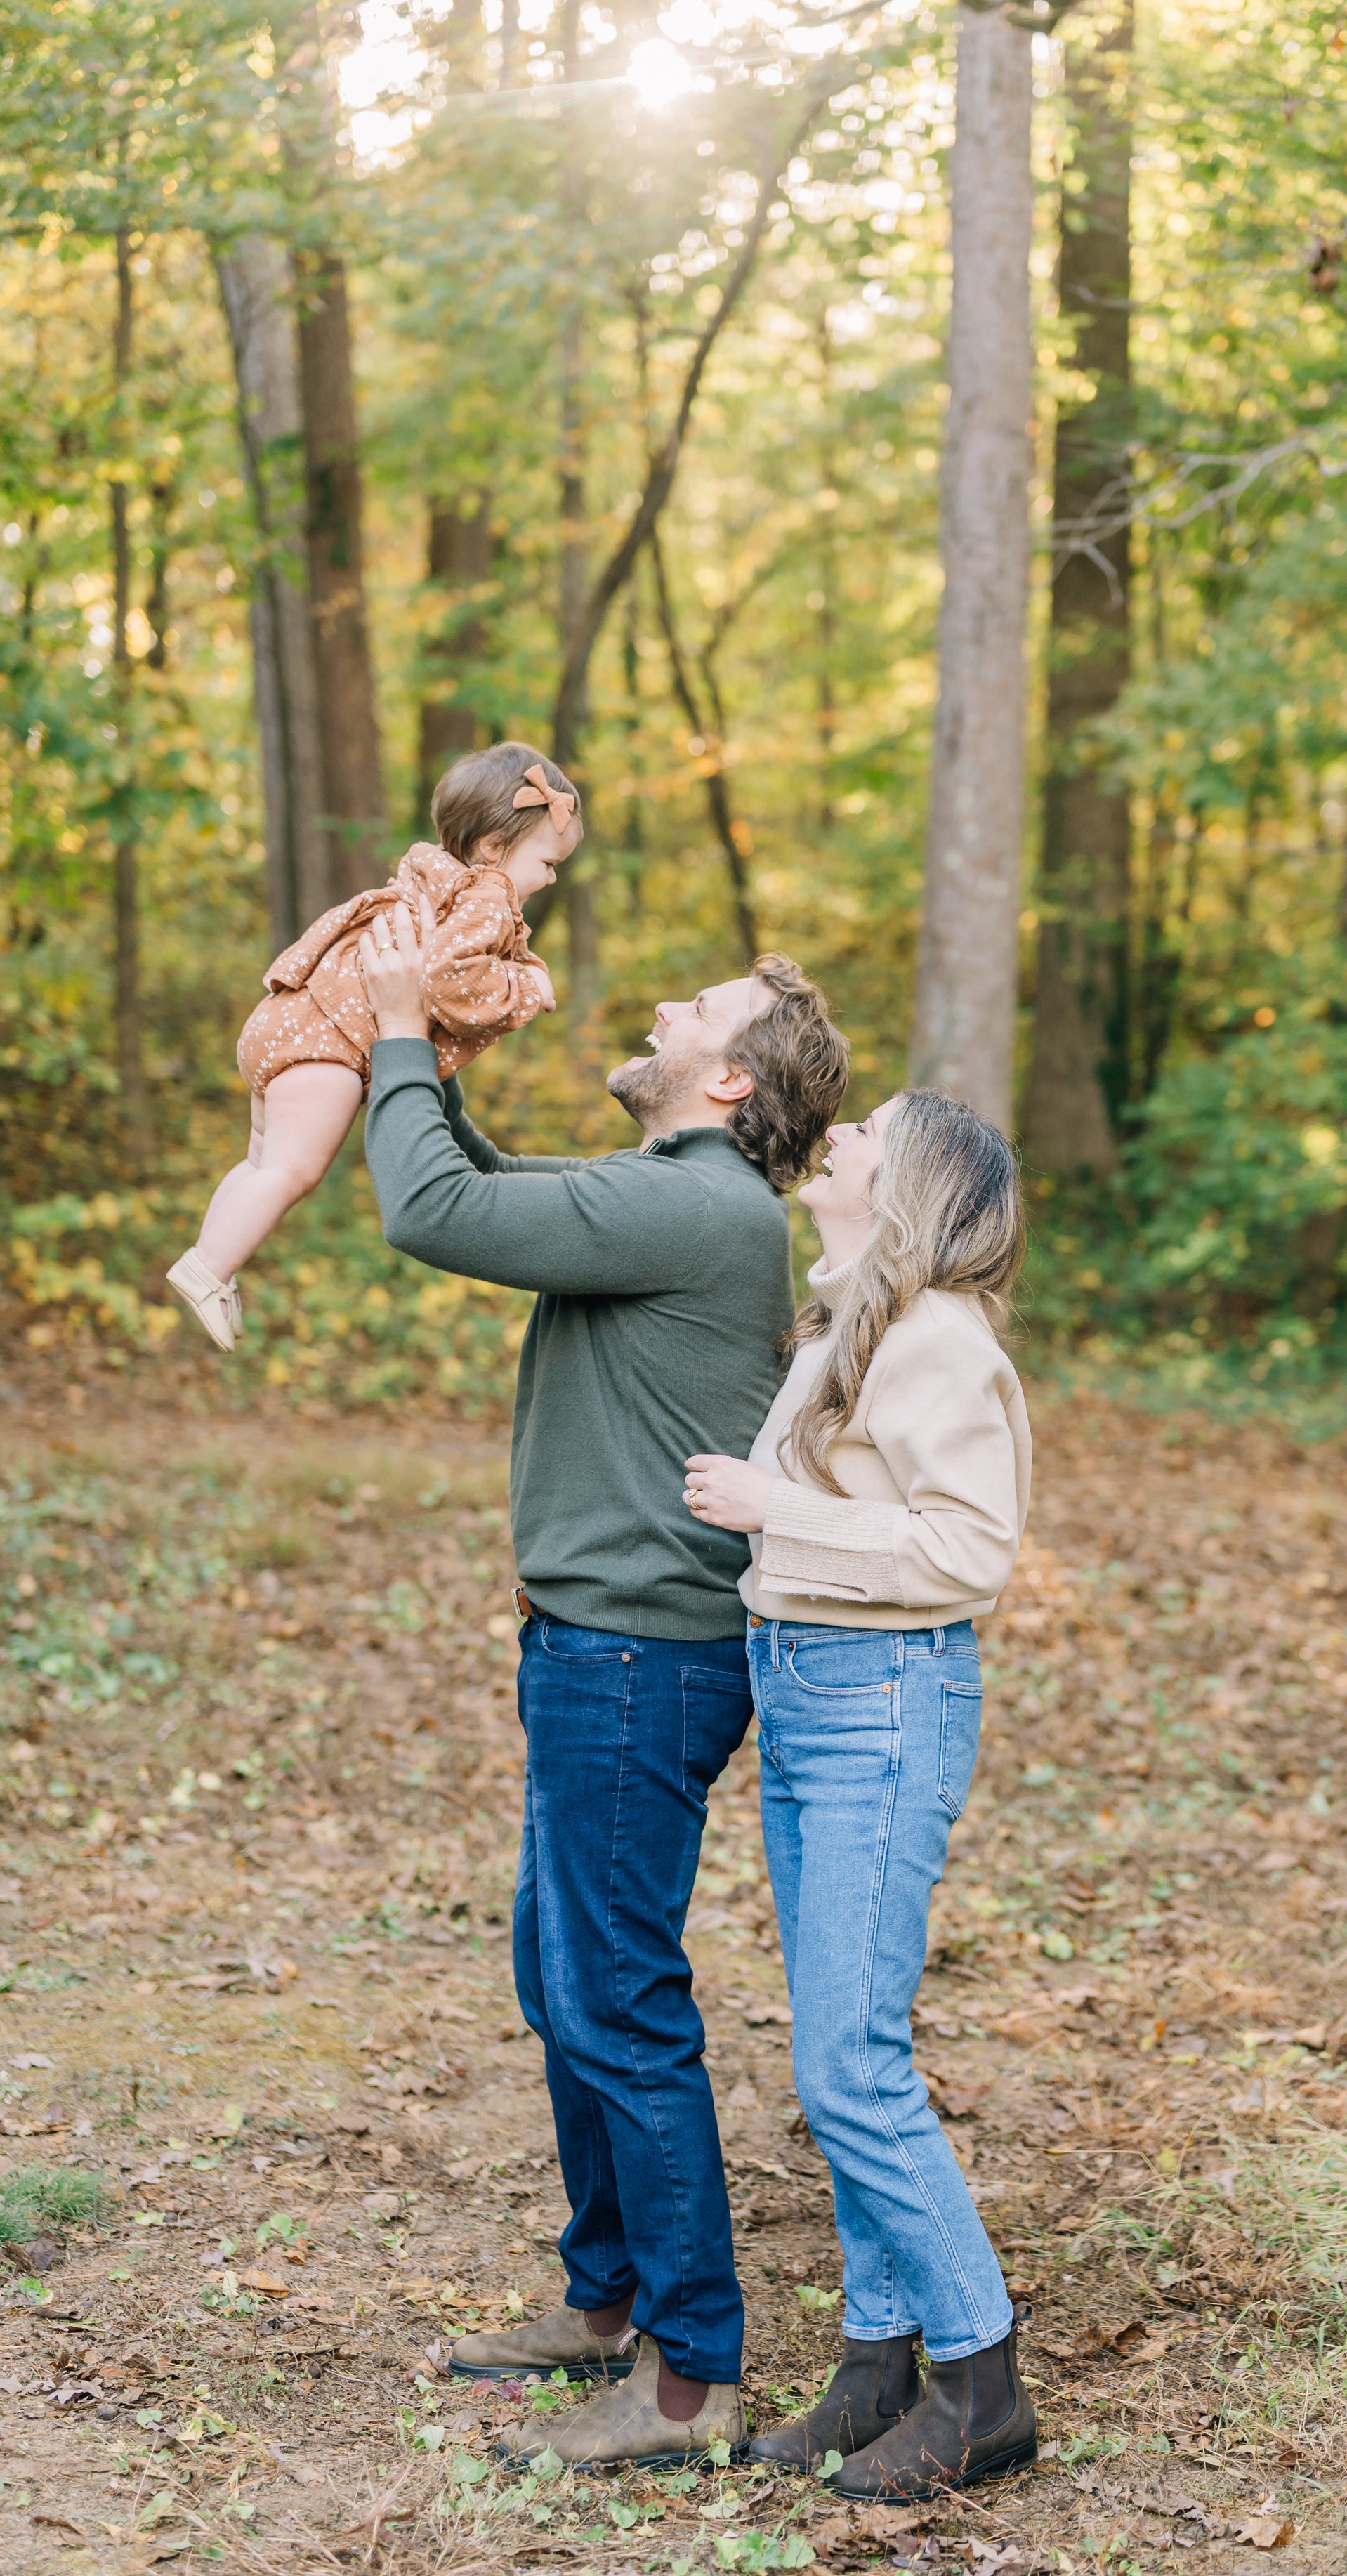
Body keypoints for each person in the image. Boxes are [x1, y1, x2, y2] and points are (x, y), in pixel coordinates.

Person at [356, 914, 848, 2471]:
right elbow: (498, 1191)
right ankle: (607, 2299)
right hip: (602, 1648)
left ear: (723, 1078)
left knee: (615, 2000)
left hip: (637, 1660)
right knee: (558, 1976)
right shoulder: (671, 1200)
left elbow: (431, 1208)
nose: (654, 1004)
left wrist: (380, 1039)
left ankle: (690, 2375)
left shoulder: (697, 1210)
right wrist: (428, 1067)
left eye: (689, 1006)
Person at [681, 1088, 1035, 2500]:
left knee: (847, 2063)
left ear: (916, 1184)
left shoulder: (940, 1340)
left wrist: (785, 1514)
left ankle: (980, 2379)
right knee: (843, 2048)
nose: (838, 1135)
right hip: (808, 1692)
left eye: (869, 1130)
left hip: (881, 1706)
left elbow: (971, 1549)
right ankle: (875, 2365)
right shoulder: (847, 1327)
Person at [166, 743, 581, 1352]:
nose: (551, 877)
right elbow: (449, 984)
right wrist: (526, 986)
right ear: (495, 847)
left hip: (285, 1019)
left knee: (261, 1160)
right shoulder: (488, 895)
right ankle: (209, 1270)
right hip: (327, 1042)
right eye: (548, 862)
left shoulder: (434, 871)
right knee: (291, 1169)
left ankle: (210, 1261)